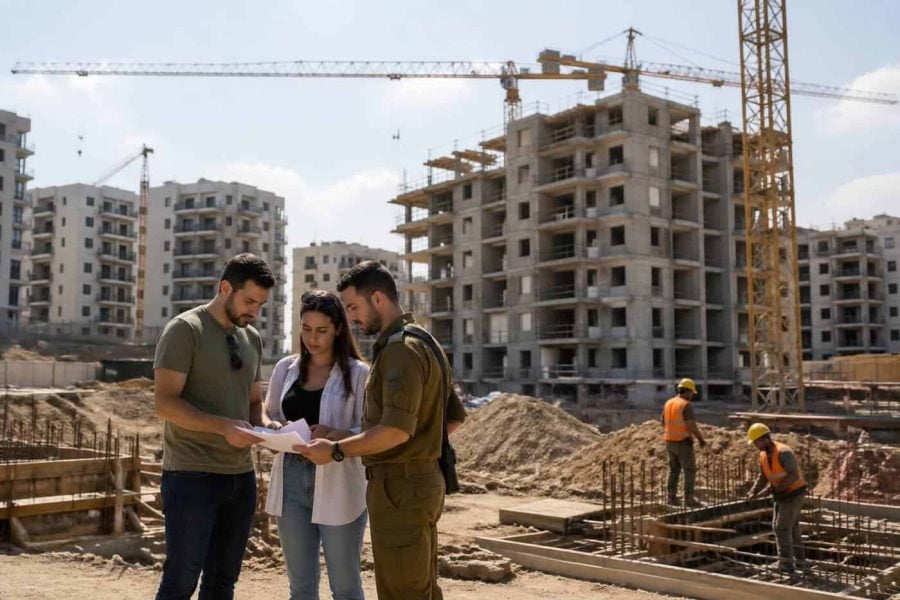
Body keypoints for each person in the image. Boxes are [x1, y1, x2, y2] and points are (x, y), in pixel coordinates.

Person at [296, 260, 466, 600]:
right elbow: (451, 418)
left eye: (354, 307)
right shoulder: (425, 341)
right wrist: (347, 436)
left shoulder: (400, 350)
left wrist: (336, 450)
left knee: (402, 591)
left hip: (400, 489)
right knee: (419, 588)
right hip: (419, 483)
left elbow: (396, 431)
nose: (353, 318)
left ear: (378, 298)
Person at [153, 253, 275, 600]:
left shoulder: (251, 338)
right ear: (225, 288)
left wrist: (269, 426)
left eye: (261, 304)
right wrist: (223, 427)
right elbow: (165, 403)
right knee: (180, 582)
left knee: (222, 583)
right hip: (191, 477)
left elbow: (253, 403)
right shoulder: (184, 330)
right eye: (249, 301)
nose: (255, 311)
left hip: (240, 479)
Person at [262, 290, 369, 600]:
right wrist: (272, 428)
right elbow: (270, 412)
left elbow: (372, 428)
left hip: (339, 480)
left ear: (338, 328)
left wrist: (337, 433)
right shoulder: (285, 368)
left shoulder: (359, 374)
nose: (313, 338)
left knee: (346, 588)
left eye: (321, 330)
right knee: (301, 588)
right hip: (291, 483)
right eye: (306, 328)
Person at [746, 423, 808, 573]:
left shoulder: (784, 452)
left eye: (757, 442)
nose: (756, 446)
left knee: (781, 528)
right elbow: (763, 476)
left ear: (765, 438)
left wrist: (772, 489)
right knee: (790, 528)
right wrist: (753, 491)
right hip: (780, 495)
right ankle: (800, 562)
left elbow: (793, 475)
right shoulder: (763, 455)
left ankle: (786, 564)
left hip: (793, 493)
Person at [661, 377, 706, 507]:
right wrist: (700, 439)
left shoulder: (668, 403)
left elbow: (663, 422)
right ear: (687, 391)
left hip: (669, 441)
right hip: (682, 442)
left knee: (673, 470)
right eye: (692, 393)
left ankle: (671, 497)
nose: (692, 395)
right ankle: (689, 499)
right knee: (689, 470)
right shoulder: (685, 405)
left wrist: (671, 432)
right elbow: (691, 424)